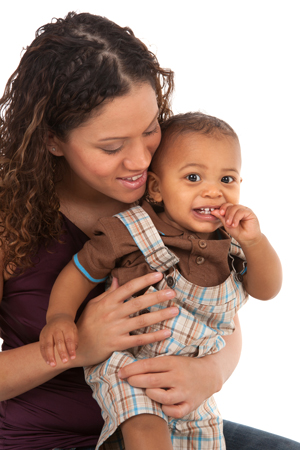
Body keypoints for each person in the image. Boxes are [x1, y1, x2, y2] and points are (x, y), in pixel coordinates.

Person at [0, 11, 299, 450]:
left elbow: (222, 315)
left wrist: (210, 372)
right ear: (51, 140)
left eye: (149, 129)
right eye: (112, 146)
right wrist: (81, 346)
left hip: (173, 427)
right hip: (49, 438)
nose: (140, 160)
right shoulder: (9, 219)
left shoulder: (172, 189)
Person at [39, 111, 282, 450]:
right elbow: (80, 271)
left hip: (191, 379)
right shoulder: (132, 229)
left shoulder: (231, 240)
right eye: (194, 177)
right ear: (156, 187)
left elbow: (266, 290)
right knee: (146, 430)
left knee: (206, 441)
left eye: (227, 180)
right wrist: (60, 317)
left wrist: (256, 242)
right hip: (131, 365)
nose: (213, 192)